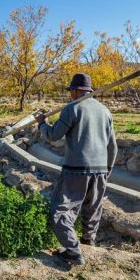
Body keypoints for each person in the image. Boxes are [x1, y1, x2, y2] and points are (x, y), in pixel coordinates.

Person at [35, 73, 118, 265]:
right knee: (93, 207)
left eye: (71, 91)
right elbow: (112, 146)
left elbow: (53, 136)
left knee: (61, 210)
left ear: (75, 90)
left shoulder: (72, 109)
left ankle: (73, 250)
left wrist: (41, 123)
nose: (70, 95)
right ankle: (89, 241)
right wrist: (108, 169)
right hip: (100, 169)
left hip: (76, 169)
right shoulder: (105, 111)